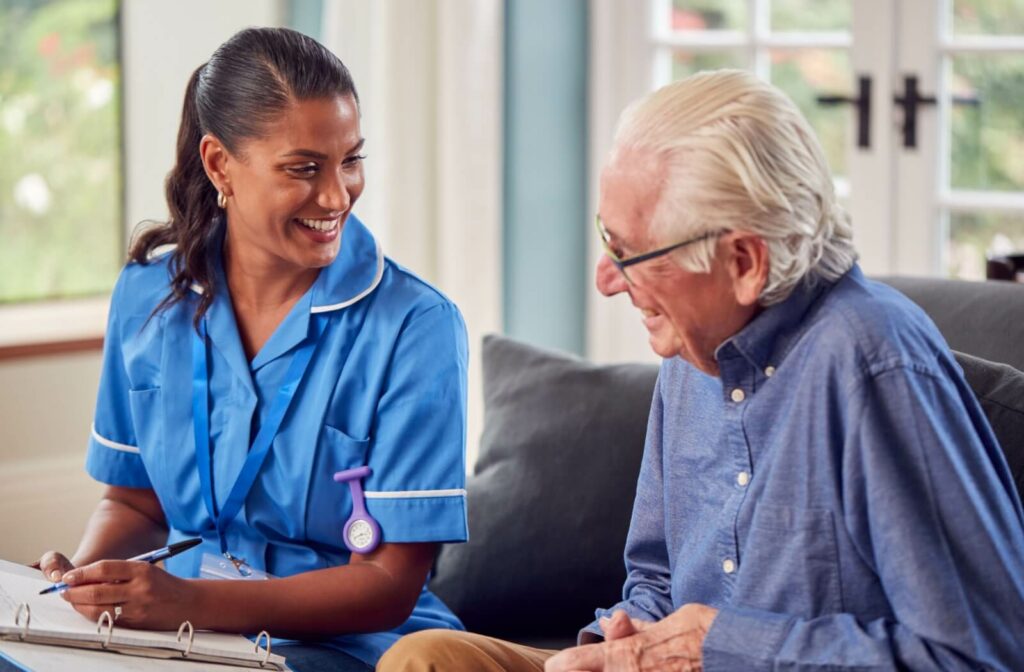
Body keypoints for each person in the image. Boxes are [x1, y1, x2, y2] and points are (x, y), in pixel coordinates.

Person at [377, 70, 1024, 671]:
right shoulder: (693, 351)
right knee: (427, 658)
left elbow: (979, 651)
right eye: (608, 239)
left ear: (744, 262)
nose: (607, 280)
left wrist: (721, 648)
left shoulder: (873, 364)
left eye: (629, 252)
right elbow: (655, 579)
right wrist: (622, 645)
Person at [34, 27, 469, 672]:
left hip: (343, 648)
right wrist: (94, 580)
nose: (336, 196)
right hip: (179, 640)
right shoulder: (147, 298)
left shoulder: (417, 326)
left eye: (350, 160)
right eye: (303, 168)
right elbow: (134, 500)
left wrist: (191, 603)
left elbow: (387, 584)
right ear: (219, 165)